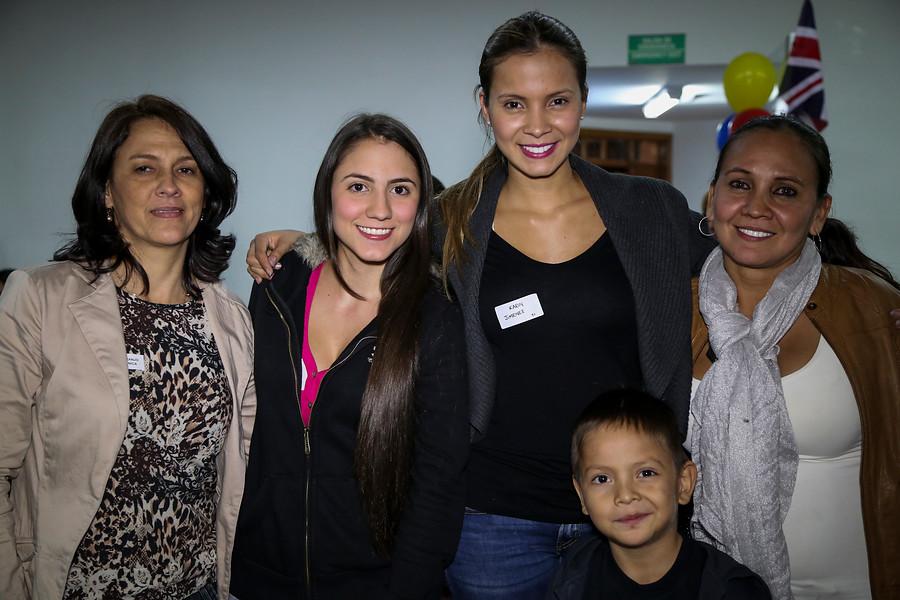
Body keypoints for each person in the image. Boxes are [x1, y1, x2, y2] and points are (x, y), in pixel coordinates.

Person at [245, 12, 713, 599]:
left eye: (558, 101)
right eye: (514, 103)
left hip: (629, 506)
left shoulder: (650, 210)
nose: (537, 124)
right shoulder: (452, 220)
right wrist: (304, 244)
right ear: (485, 107)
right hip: (494, 520)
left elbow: (747, 254)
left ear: (583, 101)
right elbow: (379, 239)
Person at [0, 95, 255, 599]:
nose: (169, 184)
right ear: (107, 193)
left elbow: (249, 462)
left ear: (205, 192)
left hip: (198, 589)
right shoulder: (39, 299)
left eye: (186, 169)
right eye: (144, 168)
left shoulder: (232, 318)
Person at [228, 114, 468, 599]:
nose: (380, 209)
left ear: (421, 204)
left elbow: (438, 483)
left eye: (400, 189)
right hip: (259, 572)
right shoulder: (276, 285)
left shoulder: (436, 319)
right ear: (328, 194)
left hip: (376, 583)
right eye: (359, 186)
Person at [689, 115, 900, 599]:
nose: (756, 207)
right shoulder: (672, 312)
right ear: (712, 197)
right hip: (716, 588)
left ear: (819, 213)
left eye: (784, 191)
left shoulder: (873, 308)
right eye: (740, 184)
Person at [548, 389, 770, 599]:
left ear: (683, 483)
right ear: (582, 495)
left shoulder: (731, 591)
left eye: (646, 473)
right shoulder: (575, 574)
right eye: (602, 479)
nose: (625, 495)